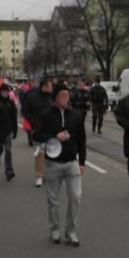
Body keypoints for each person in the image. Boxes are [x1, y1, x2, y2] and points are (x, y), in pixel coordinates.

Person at [34, 86, 86, 246]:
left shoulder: (76, 115)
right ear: (55, 97)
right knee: (53, 200)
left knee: (76, 197)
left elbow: (82, 140)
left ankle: (71, 231)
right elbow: (37, 135)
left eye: (67, 95)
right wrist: (54, 136)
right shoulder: (45, 115)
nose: (65, 98)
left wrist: (82, 162)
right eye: (61, 95)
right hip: (52, 163)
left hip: (72, 162)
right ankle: (55, 230)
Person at [21, 79, 53, 187]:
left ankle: (49, 175)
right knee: (39, 153)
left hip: (52, 130)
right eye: (50, 85)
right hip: (38, 130)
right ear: (44, 86)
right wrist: (33, 121)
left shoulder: (52, 97)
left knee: (52, 153)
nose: (51, 88)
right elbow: (25, 111)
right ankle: (39, 176)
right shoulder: (32, 97)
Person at [0, 83, 18, 181]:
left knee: (8, 151)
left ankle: (9, 170)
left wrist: (15, 130)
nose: (5, 93)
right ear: (0, 92)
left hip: (8, 131)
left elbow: (14, 117)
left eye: (6, 91)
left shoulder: (11, 103)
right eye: (3, 91)